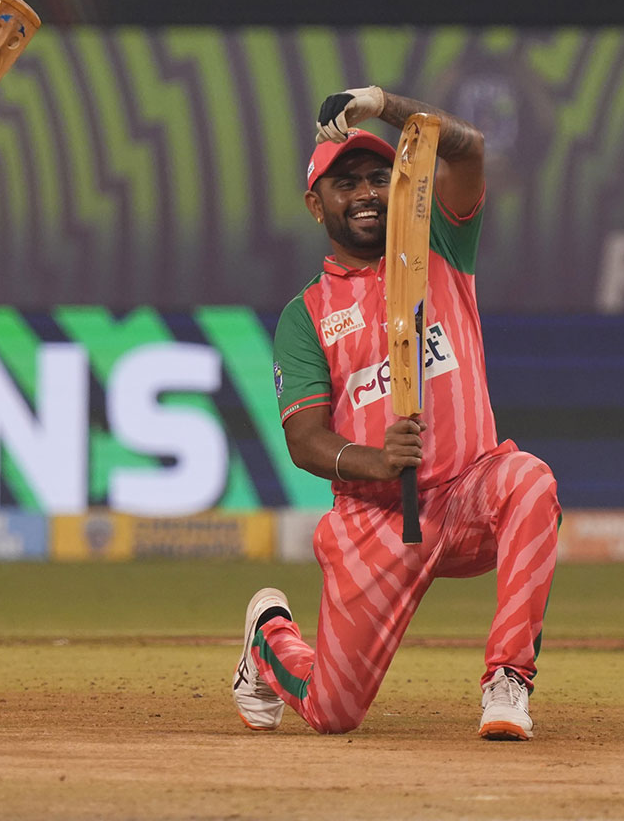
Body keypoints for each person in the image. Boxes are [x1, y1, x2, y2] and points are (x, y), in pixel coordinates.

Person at [233, 85, 561, 740]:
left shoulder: (441, 242)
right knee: (333, 713)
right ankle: (269, 639)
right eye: (344, 182)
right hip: (377, 517)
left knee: (530, 480)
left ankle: (508, 681)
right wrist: (373, 460)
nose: (364, 194)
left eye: (380, 178)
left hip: (473, 488)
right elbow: (303, 438)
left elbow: (467, 150)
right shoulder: (306, 316)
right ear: (314, 203)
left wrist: (381, 101)